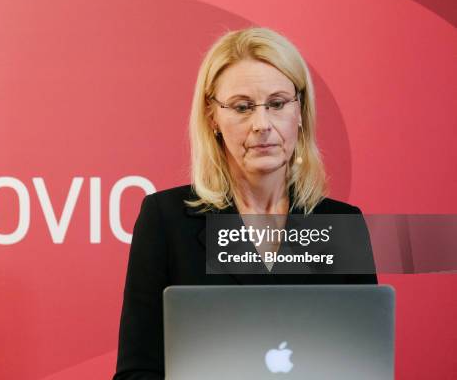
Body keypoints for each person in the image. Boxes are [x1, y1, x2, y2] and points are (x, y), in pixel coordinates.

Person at [112, 27, 377, 380]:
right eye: (242, 107)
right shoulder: (165, 219)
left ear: (300, 112)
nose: (262, 124)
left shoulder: (342, 225)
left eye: (278, 103)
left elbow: (365, 368)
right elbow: (137, 371)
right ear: (213, 117)